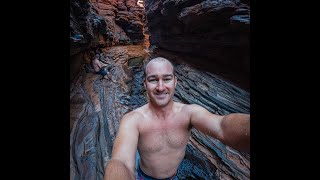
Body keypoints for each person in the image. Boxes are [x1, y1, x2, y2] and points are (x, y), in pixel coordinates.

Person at [104, 57, 250, 180]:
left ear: (175, 81)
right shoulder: (132, 119)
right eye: (153, 80)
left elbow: (221, 126)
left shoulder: (189, 112)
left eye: (166, 79)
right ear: (144, 84)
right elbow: (121, 161)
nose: (160, 87)